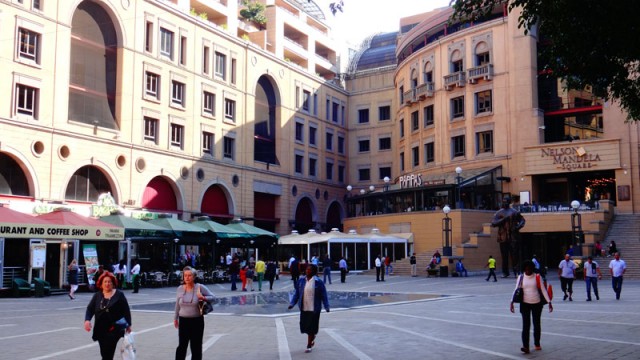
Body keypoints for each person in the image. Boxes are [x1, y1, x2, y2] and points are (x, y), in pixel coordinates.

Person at [84, 271, 132, 360]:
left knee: (108, 353)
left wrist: (128, 325)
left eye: (109, 281)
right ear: (101, 284)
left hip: (115, 329)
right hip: (100, 329)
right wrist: (87, 320)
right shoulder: (97, 295)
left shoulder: (119, 295)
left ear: (113, 283)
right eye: (105, 282)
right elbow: (90, 309)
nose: (107, 284)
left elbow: (126, 310)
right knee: (104, 353)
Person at [510, 260, 553, 354]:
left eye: (529, 269)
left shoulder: (537, 277)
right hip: (524, 304)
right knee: (526, 325)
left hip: (537, 304)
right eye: (526, 269)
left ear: (532, 269)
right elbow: (516, 289)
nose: (527, 271)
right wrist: (511, 302)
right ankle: (526, 346)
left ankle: (537, 343)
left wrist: (549, 302)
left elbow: (543, 290)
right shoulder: (521, 277)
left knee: (536, 324)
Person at [174, 266, 215, 360]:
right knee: (182, 346)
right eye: (185, 276)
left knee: (196, 346)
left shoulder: (200, 287)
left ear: (194, 276)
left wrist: (203, 298)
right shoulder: (180, 288)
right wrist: (175, 318)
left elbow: (214, 298)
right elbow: (177, 304)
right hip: (183, 321)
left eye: (189, 275)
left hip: (197, 321)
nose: (187, 278)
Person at [288, 264, 330, 353]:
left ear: (314, 272)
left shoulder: (318, 282)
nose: (307, 271)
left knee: (311, 327)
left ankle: (309, 345)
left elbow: (324, 295)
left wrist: (326, 306)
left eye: (310, 270)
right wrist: (292, 303)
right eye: (307, 269)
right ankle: (312, 336)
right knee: (304, 327)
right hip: (304, 307)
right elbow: (297, 294)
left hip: (314, 308)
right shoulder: (301, 280)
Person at [491, 197, 526, 278]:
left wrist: (518, 227)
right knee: (504, 256)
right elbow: (493, 223)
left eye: (506, 201)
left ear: (509, 202)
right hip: (503, 237)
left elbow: (522, 220)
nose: (504, 203)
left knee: (515, 256)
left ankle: (516, 272)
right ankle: (505, 272)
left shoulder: (514, 212)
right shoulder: (499, 213)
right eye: (503, 201)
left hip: (513, 237)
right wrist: (503, 219)